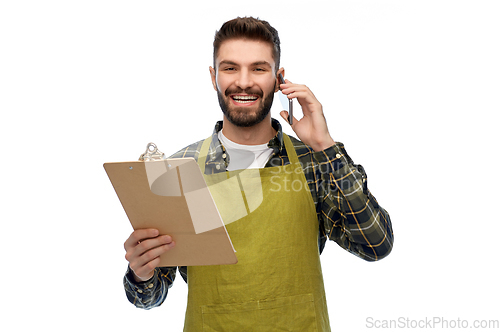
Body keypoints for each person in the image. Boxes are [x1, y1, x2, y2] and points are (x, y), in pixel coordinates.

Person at [122, 17, 394, 331]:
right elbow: (148, 297)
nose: (244, 81)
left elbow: (376, 244)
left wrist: (325, 146)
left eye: (259, 68)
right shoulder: (181, 170)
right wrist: (140, 273)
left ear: (279, 79)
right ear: (214, 77)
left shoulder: (313, 163)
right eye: (230, 68)